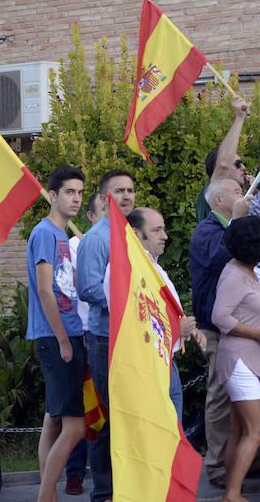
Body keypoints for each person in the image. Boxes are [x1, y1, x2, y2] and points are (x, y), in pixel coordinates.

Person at [26, 166, 87, 502]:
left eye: (79, 193)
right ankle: (45, 495)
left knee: (52, 420)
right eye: (69, 192)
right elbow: (45, 290)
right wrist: (63, 339)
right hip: (56, 336)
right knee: (75, 426)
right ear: (52, 196)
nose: (76, 198)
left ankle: (47, 494)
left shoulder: (62, 236)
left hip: (67, 332)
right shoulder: (45, 234)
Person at [76, 169, 135, 502]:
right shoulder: (97, 239)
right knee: (106, 421)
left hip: (132, 339)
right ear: (103, 198)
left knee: (129, 417)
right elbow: (87, 288)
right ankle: (104, 492)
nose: (126, 196)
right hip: (104, 339)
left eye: (130, 190)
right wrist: (125, 300)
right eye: (118, 191)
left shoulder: (132, 234)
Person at [189, 177, 252, 488]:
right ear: (218, 201)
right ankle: (216, 467)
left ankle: (242, 462)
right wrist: (238, 221)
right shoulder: (207, 230)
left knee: (244, 402)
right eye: (237, 192)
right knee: (221, 397)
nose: (244, 195)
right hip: (216, 330)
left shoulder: (232, 225)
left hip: (243, 331)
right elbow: (218, 258)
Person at [125, 207, 207, 421]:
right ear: (136, 233)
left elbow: (165, 308)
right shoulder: (130, 271)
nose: (165, 236)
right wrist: (176, 329)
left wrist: (190, 328)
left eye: (163, 229)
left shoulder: (153, 267)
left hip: (165, 361)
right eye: (156, 230)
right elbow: (134, 322)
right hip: (148, 367)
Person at [212, 217, 260, 502]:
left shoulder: (245, 270)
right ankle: (232, 494)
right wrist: (256, 334)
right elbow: (220, 316)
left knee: (239, 429)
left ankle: (233, 489)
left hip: (247, 358)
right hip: (239, 360)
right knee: (255, 431)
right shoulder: (234, 275)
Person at [65, 192, 104, 497]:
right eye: (102, 211)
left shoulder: (122, 244)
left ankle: (104, 471)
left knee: (102, 405)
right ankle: (75, 472)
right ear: (90, 216)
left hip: (106, 335)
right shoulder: (76, 245)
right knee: (81, 406)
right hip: (81, 334)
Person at [196, 97, 252, 222]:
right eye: (237, 164)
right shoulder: (212, 190)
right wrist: (239, 117)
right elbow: (224, 163)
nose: (243, 168)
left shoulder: (236, 194)